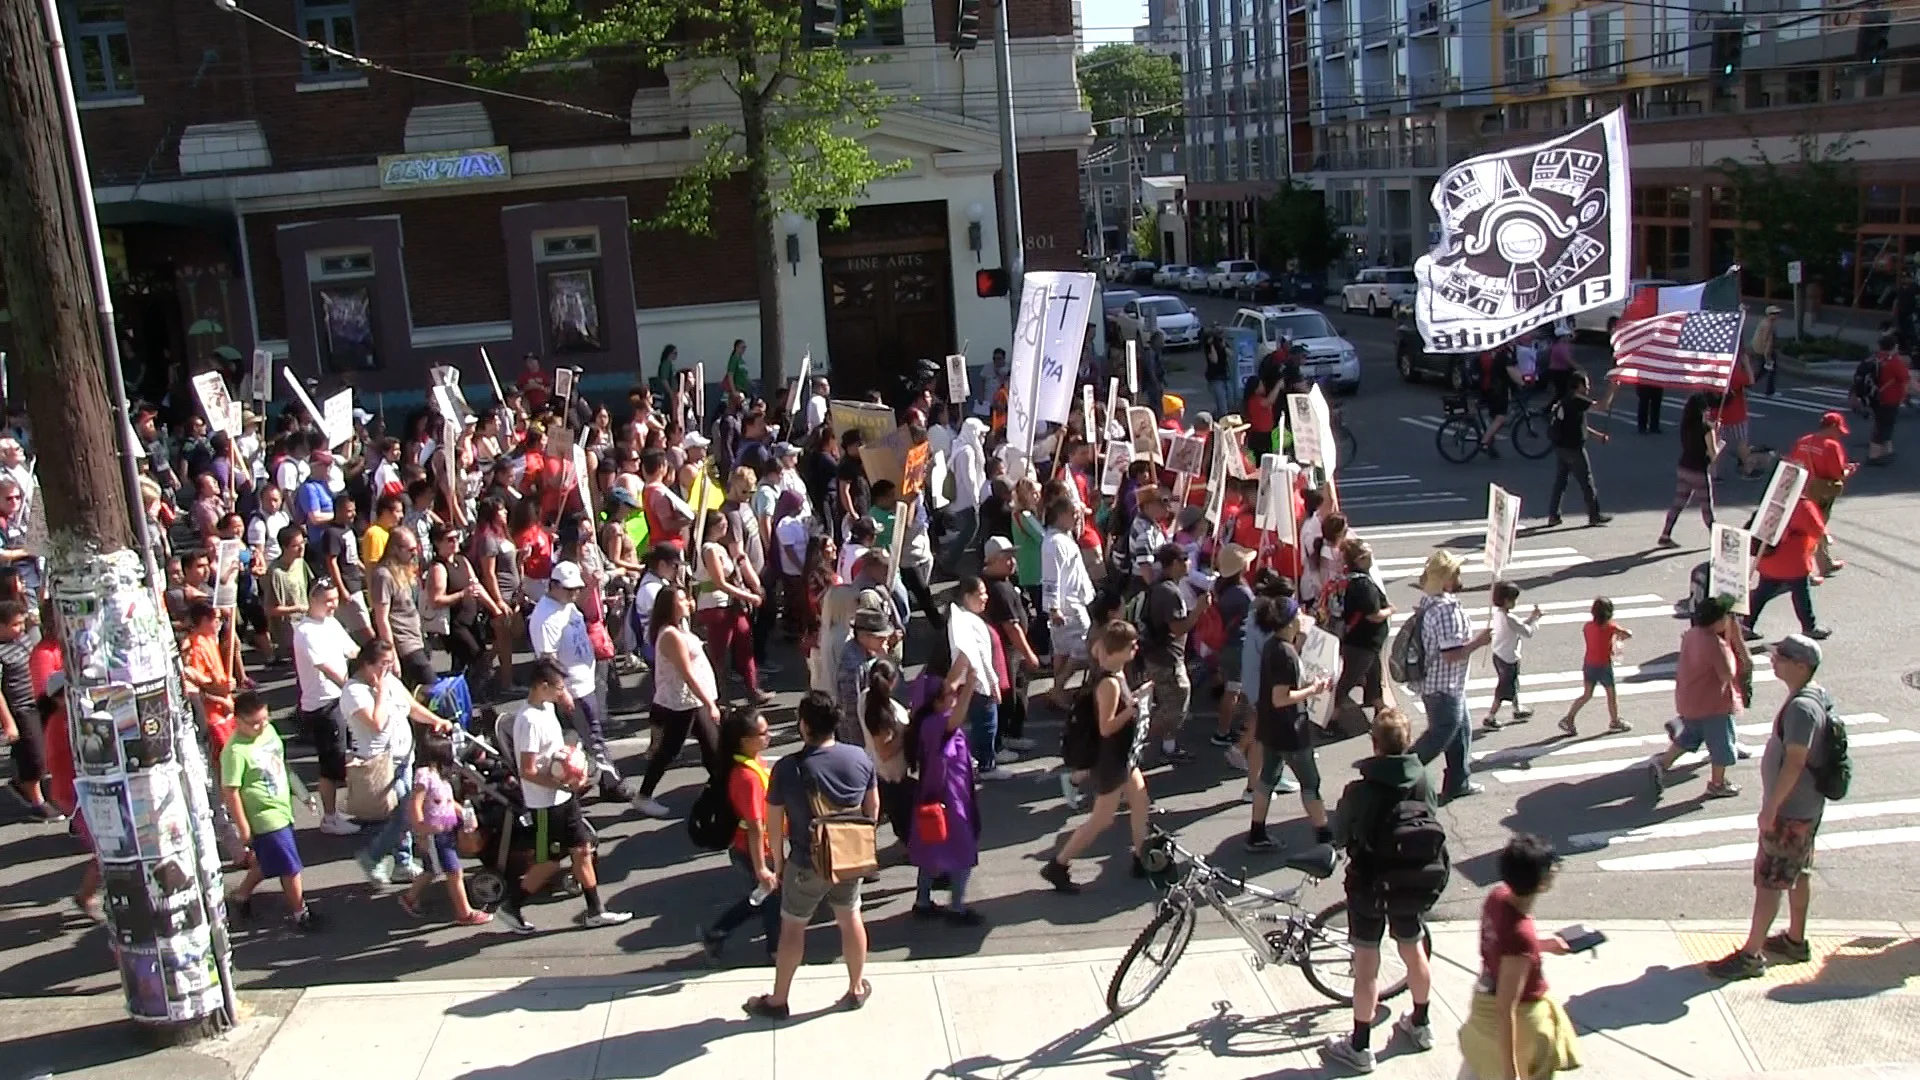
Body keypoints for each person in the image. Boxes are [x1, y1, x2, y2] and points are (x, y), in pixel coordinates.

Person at [1319, 708, 1443, 1073]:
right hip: (1413, 879)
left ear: (1375, 746)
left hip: (1370, 884)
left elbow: (1342, 834)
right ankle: (1420, 1024)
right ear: (1407, 743)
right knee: (1412, 947)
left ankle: (1359, 1046)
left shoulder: (1361, 790)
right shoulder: (1423, 780)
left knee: (1367, 965)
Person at [743, 691, 878, 1019]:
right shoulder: (860, 757)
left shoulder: (789, 768)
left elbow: (774, 823)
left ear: (803, 725)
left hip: (806, 861)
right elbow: (872, 809)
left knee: (792, 927)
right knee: (850, 918)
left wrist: (777, 859)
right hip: (848, 857)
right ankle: (856, 986)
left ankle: (778, 1000)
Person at [1708, 634, 1835, 979]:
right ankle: (1795, 940)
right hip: (1805, 807)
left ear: (1800, 665)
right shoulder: (1814, 695)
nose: (1773, 660)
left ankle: (1751, 956)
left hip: (1790, 810)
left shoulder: (1802, 708)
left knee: (1770, 881)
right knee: (1799, 873)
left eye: (1781, 657)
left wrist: (1771, 808)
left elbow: (1795, 762)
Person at [498, 659, 633, 933]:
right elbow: (527, 770)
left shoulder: (547, 707)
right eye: (558, 687)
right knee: (548, 863)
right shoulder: (528, 721)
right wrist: (561, 784)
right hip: (545, 804)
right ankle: (511, 906)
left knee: (582, 850)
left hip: (563, 798)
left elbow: (558, 756)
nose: (562, 692)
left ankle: (596, 911)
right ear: (542, 686)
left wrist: (574, 772)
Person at [1458, 834, 1584, 1079]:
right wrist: (1511, 1071)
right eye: (1551, 868)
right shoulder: (1520, 935)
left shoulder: (1497, 897)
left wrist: (1543, 945)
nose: (1556, 868)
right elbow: (1506, 1008)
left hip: (1482, 1003)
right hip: (1524, 1022)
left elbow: (1501, 946)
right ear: (1542, 883)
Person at [1039, 620, 1150, 893]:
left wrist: (1135, 697)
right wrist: (1132, 709)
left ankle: (1141, 857)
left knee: (1140, 801)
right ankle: (1058, 864)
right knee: (1102, 820)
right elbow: (1106, 726)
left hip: (1124, 756)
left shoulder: (1118, 672)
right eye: (1131, 645)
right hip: (1112, 760)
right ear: (1118, 650)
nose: (1136, 647)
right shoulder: (1109, 684)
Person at [344, 639, 456, 885]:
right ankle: (373, 856)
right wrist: (381, 692)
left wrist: (436, 720)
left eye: (390, 662)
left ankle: (403, 863)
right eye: (383, 664)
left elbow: (412, 707)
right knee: (406, 812)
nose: (389, 668)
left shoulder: (390, 681)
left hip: (405, 757)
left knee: (403, 812)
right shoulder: (354, 692)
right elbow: (376, 722)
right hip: (383, 764)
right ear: (367, 664)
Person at [221, 692, 320, 931]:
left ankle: (241, 896)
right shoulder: (234, 751)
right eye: (254, 723)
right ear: (238, 720)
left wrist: (302, 793)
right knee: (290, 865)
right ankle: (300, 913)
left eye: (264, 719)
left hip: (282, 808)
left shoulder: (269, 732)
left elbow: (281, 764)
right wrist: (243, 827)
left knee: (269, 859)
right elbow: (231, 791)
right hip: (265, 817)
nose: (261, 726)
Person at [1247, 596, 1334, 852]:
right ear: (1289, 621)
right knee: (1310, 784)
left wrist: (1308, 686)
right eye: (1298, 614)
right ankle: (1324, 837)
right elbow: (1281, 698)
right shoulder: (1285, 653)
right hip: (1290, 731)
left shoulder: (1275, 645)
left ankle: (1257, 833)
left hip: (1270, 729)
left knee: (1267, 779)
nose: (1302, 616)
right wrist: (1313, 690)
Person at [530, 561, 622, 799]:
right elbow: (547, 661)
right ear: (553, 586)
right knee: (593, 737)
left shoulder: (567, 606)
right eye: (569, 590)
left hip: (584, 683)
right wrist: (562, 692)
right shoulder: (544, 617)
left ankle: (574, 781)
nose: (574, 594)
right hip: (572, 689)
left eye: (576, 589)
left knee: (576, 739)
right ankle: (611, 783)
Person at [634, 583, 724, 818]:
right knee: (669, 750)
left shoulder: (679, 627)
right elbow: (687, 673)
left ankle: (721, 790)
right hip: (682, 703)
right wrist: (710, 703)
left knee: (712, 747)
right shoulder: (671, 635)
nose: (688, 603)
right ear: (670, 606)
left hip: (692, 701)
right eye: (682, 600)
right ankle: (643, 796)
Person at [908, 654, 985, 924]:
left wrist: (963, 661)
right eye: (950, 695)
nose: (954, 697)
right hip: (950, 800)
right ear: (938, 702)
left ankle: (923, 900)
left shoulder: (925, 721)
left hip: (936, 797)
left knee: (930, 849)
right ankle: (957, 907)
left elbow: (947, 688)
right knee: (963, 851)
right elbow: (956, 717)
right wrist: (971, 684)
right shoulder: (937, 724)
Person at [701, 706, 781, 961]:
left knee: (763, 897)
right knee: (771, 899)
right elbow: (755, 826)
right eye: (763, 733)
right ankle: (776, 951)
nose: (768, 736)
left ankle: (718, 931)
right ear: (745, 741)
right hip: (753, 850)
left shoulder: (750, 763)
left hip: (749, 847)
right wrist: (761, 868)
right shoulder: (747, 777)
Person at [1410, 551, 1492, 800]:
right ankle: (1397, 774)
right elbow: (1452, 654)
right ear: (1445, 579)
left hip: (1444, 684)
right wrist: (1480, 641)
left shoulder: (1431, 603)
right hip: (1444, 686)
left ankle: (1458, 781)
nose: (1459, 576)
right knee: (1438, 738)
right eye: (1455, 572)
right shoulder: (1446, 610)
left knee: (1462, 731)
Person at [1651, 596, 1747, 801]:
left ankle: (1663, 763)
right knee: (1722, 745)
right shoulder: (1715, 644)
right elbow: (1728, 674)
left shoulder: (1691, 634)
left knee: (1689, 737)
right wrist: (1731, 649)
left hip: (1690, 698)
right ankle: (1717, 783)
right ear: (1717, 620)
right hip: (1713, 705)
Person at [398, 731, 491, 925]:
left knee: (432, 870)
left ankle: (409, 898)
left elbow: (448, 803)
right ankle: (464, 913)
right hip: (433, 834)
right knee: (454, 871)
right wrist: (421, 829)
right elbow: (415, 804)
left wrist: (465, 816)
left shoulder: (441, 777)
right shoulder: (425, 776)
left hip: (445, 832)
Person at [292, 579, 360, 834]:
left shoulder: (331, 623)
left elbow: (351, 650)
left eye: (334, 599)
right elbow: (325, 667)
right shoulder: (306, 631)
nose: (333, 605)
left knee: (341, 756)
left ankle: (337, 812)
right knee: (330, 763)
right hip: (322, 704)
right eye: (327, 601)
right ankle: (329, 818)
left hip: (339, 699)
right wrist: (353, 687)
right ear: (313, 600)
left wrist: (370, 661)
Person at [1141, 543, 1207, 764]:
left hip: (1163, 654)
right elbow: (1178, 628)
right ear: (1175, 563)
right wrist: (1198, 610)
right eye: (1185, 559)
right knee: (1176, 702)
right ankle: (1136, 740)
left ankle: (1169, 746)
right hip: (1165, 657)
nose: (1189, 563)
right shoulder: (1169, 593)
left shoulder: (1164, 587)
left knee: (1172, 702)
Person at [946, 574, 1009, 779]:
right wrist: (994, 683)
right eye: (980, 594)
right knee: (987, 723)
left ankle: (984, 759)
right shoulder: (970, 621)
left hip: (970, 682)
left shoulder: (960, 619)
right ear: (967, 597)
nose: (986, 598)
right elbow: (982, 658)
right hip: (978, 682)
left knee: (981, 722)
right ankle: (986, 764)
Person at [1743, 496, 1831, 641]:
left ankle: (1746, 625)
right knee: (1801, 595)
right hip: (1793, 559)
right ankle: (1809, 627)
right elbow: (1816, 529)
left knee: (1762, 593)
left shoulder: (1773, 498)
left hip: (1769, 557)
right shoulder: (1802, 505)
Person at [0, 600, 57, 819]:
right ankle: (35, 801)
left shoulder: (24, 638)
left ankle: (21, 781)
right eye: (15, 625)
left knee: (36, 750)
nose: (21, 628)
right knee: (36, 757)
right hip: (20, 708)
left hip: (37, 701)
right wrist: (8, 723)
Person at [1040, 496, 1095, 711]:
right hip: (1069, 606)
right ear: (1061, 515)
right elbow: (1050, 577)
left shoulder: (1063, 537)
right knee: (1083, 648)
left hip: (1070, 603)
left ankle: (1058, 690)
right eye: (1073, 514)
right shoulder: (1054, 543)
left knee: (1062, 651)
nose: (1076, 518)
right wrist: (1054, 607)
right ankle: (1058, 689)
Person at [1332, 538, 1392, 723]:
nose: (1371, 557)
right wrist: (1390, 610)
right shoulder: (1364, 585)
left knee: (1375, 679)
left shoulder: (1347, 579)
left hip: (1362, 642)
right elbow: (1373, 615)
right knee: (1346, 684)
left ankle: (1380, 710)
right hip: (1363, 642)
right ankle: (1329, 719)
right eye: (1367, 555)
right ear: (1358, 560)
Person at [1789, 411, 1856, 576]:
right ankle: (1805, 569)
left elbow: (1794, 464)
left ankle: (1824, 562)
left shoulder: (1803, 441)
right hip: (1821, 494)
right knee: (1815, 529)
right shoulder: (1831, 446)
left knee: (1808, 528)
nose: (1839, 435)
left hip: (1801, 491)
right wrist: (1849, 471)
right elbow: (1837, 474)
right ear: (1832, 427)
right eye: (1838, 431)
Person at [1543, 369, 1611, 528]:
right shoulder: (1576, 400)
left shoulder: (1566, 400)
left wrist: (1598, 436)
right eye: (1586, 384)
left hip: (1561, 447)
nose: (1588, 388)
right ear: (1579, 385)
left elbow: (1581, 426)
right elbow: (1602, 406)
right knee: (1586, 480)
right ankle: (1594, 515)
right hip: (1573, 448)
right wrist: (1612, 389)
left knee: (1561, 482)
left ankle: (1554, 515)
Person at [1559, 597, 1632, 736]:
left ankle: (1569, 718)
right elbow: (1626, 634)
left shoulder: (1587, 626)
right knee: (1611, 693)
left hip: (1589, 664)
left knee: (1587, 694)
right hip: (1603, 665)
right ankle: (1614, 721)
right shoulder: (1611, 627)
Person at [369, 527, 433, 688]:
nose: (415, 553)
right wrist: (392, 656)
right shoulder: (383, 575)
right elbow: (382, 619)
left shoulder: (405, 570)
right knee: (432, 686)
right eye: (410, 550)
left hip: (417, 636)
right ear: (395, 549)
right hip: (403, 643)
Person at [1656, 392, 1718, 549]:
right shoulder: (1706, 429)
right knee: (1707, 507)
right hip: (1699, 470)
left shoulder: (1686, 425)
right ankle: (1715, 539)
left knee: (1678, 503)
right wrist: (1715, 434)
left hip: (1684, 466)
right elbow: (1713, 454)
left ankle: (1665, 534)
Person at [1484, 580, 1541, 730]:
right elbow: (1527, 632)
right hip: (1509, 658)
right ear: (1506, 600)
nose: (1515, 602)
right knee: (1504, 688)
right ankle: (1490, 716)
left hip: (1498, 655)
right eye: (1513, 599)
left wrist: (1531, 618)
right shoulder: (1510, 618)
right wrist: (1535, 619)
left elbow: (1518, 627)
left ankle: (1517, 708)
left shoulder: (1499, 614)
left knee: (1512, 683)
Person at [1863, 332, 1915, 465]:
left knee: (1882, 424)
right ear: (1895, 346)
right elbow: (1908, 381)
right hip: (1889, 399)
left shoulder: (1875, 358)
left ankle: (1887, 451)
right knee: (1883, 426)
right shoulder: (1894, 362)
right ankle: (1874, 456)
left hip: (1875, 397)